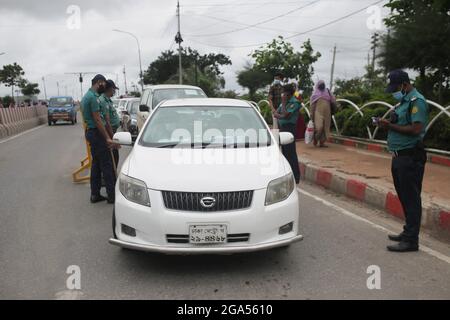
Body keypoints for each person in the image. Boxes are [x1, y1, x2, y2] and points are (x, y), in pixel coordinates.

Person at [377, 70, 428, 252]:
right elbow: (401, 122)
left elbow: (415, 129)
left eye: (396, 88)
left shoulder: (417, 102)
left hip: (410, 158)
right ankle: (408, 232)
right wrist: (387, 122)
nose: (394, 92)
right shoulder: (403, 102)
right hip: (399, 157)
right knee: (405, 198)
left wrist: (389, 125)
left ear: (405, 85)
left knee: (412, 199)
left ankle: (411, 240)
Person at [81, 74, 117, 204]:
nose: (105, 86)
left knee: (96, 165)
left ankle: (95, 194)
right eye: (103, 84)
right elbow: (97, 120)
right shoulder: (92, 98)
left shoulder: (87, 96)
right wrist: (107, 138)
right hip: (97, 134)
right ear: (99, 82)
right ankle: (112, 195)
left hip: (92, 133)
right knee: (106, 164)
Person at [271, 84, 301, 183]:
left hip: (289, 128)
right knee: (284, 153)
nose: (283, 95)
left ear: (289, 94)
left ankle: (296, 177)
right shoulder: (283, 103)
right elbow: (276, 114)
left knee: (291, 153)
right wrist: (281, 114)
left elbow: (286, 116)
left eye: (284, 93)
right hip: (282, 128)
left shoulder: (295, 102)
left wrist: (283, 104)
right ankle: (288, 175)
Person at [99, 79, 121, 175]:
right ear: (109, 89)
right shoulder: (103, 100)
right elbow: (107, 121)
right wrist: (112, 138)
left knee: (115, 155)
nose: (114, 91)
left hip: (113, 130)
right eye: (113, 89)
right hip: (109, 131)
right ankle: (111, 176)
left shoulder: (108, 100)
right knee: (112, 156)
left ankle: (112, 174)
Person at [310, 80, 335, 147]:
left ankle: (322, 142)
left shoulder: (328, 92)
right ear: (318, 85)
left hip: (327, 112)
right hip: (318, 112)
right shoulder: (315, 93)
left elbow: (333, 100)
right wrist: (311, 114)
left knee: (325, 127)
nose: (322, 85)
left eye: (323, 84)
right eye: (321, 84)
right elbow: (312, 105)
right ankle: (316, 138)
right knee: (319, 127)